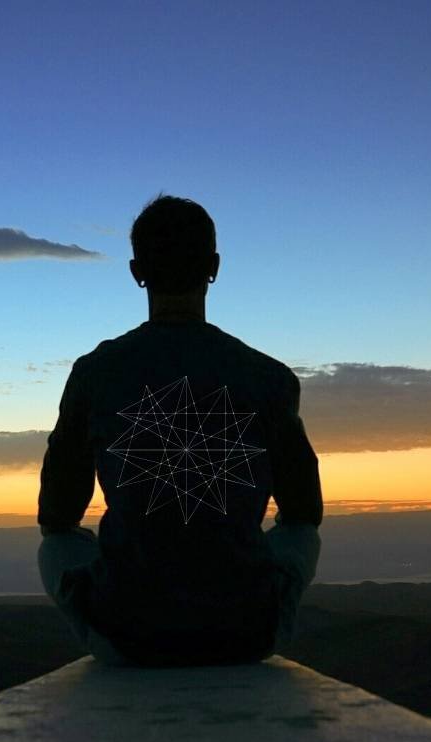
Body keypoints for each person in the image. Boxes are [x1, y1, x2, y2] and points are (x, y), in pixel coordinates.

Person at [37, 195, 322, 666]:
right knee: (297, 535)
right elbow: (304, 512)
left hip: (127, 636)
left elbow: (56, 517)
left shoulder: (95, 373)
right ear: (214, 266)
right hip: (248, 633)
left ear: (136, 272)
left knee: (58, 548)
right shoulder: (268, 376)